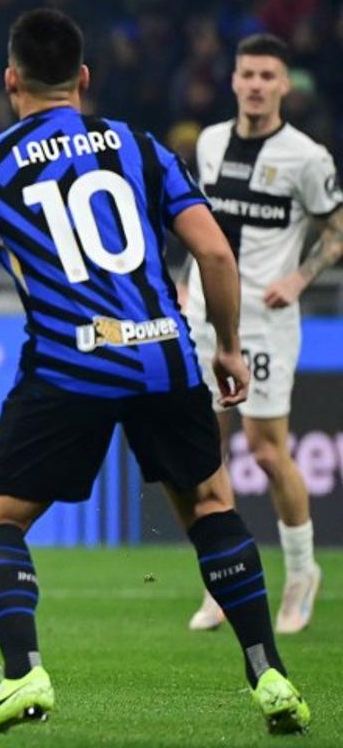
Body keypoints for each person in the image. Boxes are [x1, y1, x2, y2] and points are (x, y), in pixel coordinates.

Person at [0, 9, 309, 735]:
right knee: (209, 505)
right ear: (82, 79)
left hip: (71, 362)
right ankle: (268, 673)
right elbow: (217, 256)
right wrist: (227, 346)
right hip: (166, 352)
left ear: (11, 80)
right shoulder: (138, 146)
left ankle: (22, 674)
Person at [184, 33, 342, 635]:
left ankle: (301, 574)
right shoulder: (211, 142)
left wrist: (300, 279)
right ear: (233, 80)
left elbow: (336, 229)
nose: (255, 85)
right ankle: (221, 583)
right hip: (204, 315)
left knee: (269, 450)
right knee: (204, 451)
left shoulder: (307, 157)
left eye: (267, 76)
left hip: (266, 322)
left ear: (284, 85)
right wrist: (183, 279)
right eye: (246, 73)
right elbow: (199, 225)